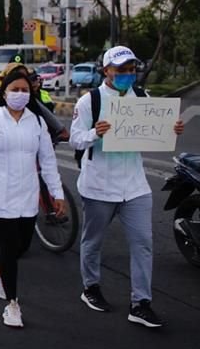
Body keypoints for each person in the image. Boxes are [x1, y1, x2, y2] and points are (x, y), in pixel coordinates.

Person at [70, 46, 185, 328]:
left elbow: (152, 133)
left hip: (134, 186)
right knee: (93, 242)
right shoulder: (90, 102)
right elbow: (74, 140)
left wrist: (171, 129)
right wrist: (94, 134)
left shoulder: (142, 98)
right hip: (99, 185)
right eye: (121, 70)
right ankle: (91, 288)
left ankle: (141, 303)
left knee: (144, 243)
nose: (127, 75)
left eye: (131, 69)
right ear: (107, 70)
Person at [0, 70, 65, 328]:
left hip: (27, 195)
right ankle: (12, 304)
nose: (19, 94)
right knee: (8, 247)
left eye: (24, 90)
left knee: (22, 246)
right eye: (14, 89)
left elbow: (48, 161)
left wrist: (56, 193)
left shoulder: (37, 123)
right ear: (3, 93)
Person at [0, 62, 67, 239]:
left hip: (23, 140)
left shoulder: (28, 97)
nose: (21, 88)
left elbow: (45, 114)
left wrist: (60, 129)